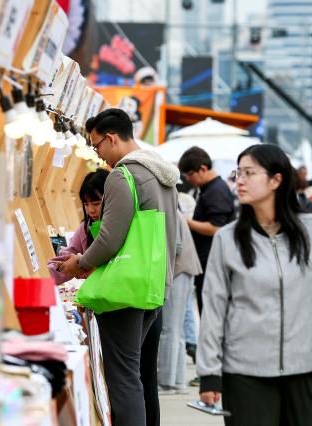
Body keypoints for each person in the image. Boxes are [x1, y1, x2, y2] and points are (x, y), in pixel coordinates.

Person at [197, 144, 312, 426]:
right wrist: (210, 372)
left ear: (276, 180)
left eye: (249, 173)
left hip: (305, 368)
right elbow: (214, 310)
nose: (239, 181)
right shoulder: (228, 239)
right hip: (244, 373)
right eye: (237, 173)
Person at [59, 108, 178, 426]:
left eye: (97, 145)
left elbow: (111, 238)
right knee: (134, 373)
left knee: (123, 379)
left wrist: (80, 263)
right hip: (152, 285)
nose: (97, 152)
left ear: (111, 138)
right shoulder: (162, 174)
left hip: (124, 290)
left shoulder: (124, 175)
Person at [178, 147, 235, 315]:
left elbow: (216, 227)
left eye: (190, 174)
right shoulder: (210, 188)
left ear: (202, 169)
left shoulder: (216, 190)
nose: (188, 179)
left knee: (210, 311)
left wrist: (186, 221)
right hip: (207, 259)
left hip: (212, 260)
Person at [158, 209, 202, 394]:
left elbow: (174, 247)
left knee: (169, 329)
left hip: (178, 271)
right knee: (177, 330)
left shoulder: (166, 206)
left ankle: (166, 383)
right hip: (184, 270)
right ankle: (177, 382)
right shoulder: (171, 204)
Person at [48, 169, 109, 283]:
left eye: (96, 203)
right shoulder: (85, 228)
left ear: (111, 199)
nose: (91, 210)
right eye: (86, 204)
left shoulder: (122, 226)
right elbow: (68, 256)